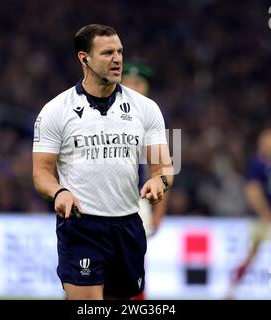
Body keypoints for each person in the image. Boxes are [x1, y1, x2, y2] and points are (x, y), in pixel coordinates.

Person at [32, 24, 174, 300]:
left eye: (120, 52)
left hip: (130, 223)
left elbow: (165, 169)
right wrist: (59, 192)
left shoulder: (149, 110)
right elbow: (41, 173)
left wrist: (161, 187)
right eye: (108, 53)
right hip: (82, 224)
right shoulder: (54, 111)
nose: (118, 59)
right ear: (84, 58)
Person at [227, 128, 271, 299]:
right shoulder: (257, 163)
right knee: (255, 255)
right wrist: (264, 212)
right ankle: (233, 289)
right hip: (263, 218)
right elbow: (252, 190)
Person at [121, 62, 169, 238]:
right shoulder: (101, 113)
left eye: (138, 83)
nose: (132, 88)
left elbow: (166, 171)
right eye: (127, 83)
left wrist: (158, 214)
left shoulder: (157, 119)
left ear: (147, 88)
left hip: (137, 202)